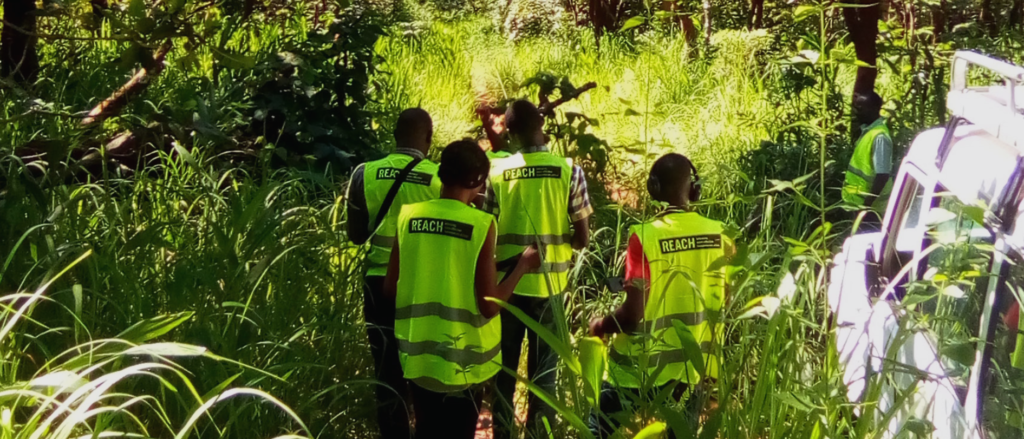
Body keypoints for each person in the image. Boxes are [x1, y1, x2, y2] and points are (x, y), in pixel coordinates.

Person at [383, 140, 541, 439]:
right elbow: (490, 305)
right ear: (478, 181)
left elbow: (391, 288)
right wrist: (522, 265)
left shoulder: (409, 216)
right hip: (465, 364)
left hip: (417, 359)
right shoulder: (480, 224)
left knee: (426, 430)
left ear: (441, 174)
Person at [587, 153, 731, 438]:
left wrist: (600, 325)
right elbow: (723, 303)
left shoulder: (645, 236)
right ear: (694, 189)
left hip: (638, 367)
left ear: (653, 188)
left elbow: (631, 315)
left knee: (597, 430)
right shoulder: (720, 234)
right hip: (695, 369)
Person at [482, 100, 593, 439]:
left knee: (503, 372)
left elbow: (486, 230)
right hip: (551, 288)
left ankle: (501, 433)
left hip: (507, 287)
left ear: (511, 134)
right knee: (544, 377)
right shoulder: (569, 170)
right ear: (542, 126)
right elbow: (582, 238)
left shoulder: (496, 172)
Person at [346, 108, 441, 439]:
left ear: (394, 136)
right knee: (424, 369)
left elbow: (356, 235)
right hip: (422, 285)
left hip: (377, 285)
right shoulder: (440, 178)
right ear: (428, 139)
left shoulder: (364, 174)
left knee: (386, 373)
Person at [843, 91, 894, 226]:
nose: (856, 112)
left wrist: (867, 205)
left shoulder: (880, 137)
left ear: (872, 109)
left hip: (872, 210)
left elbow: (882, 175)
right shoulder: (868, 131)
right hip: (860, 205)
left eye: (860, 108)